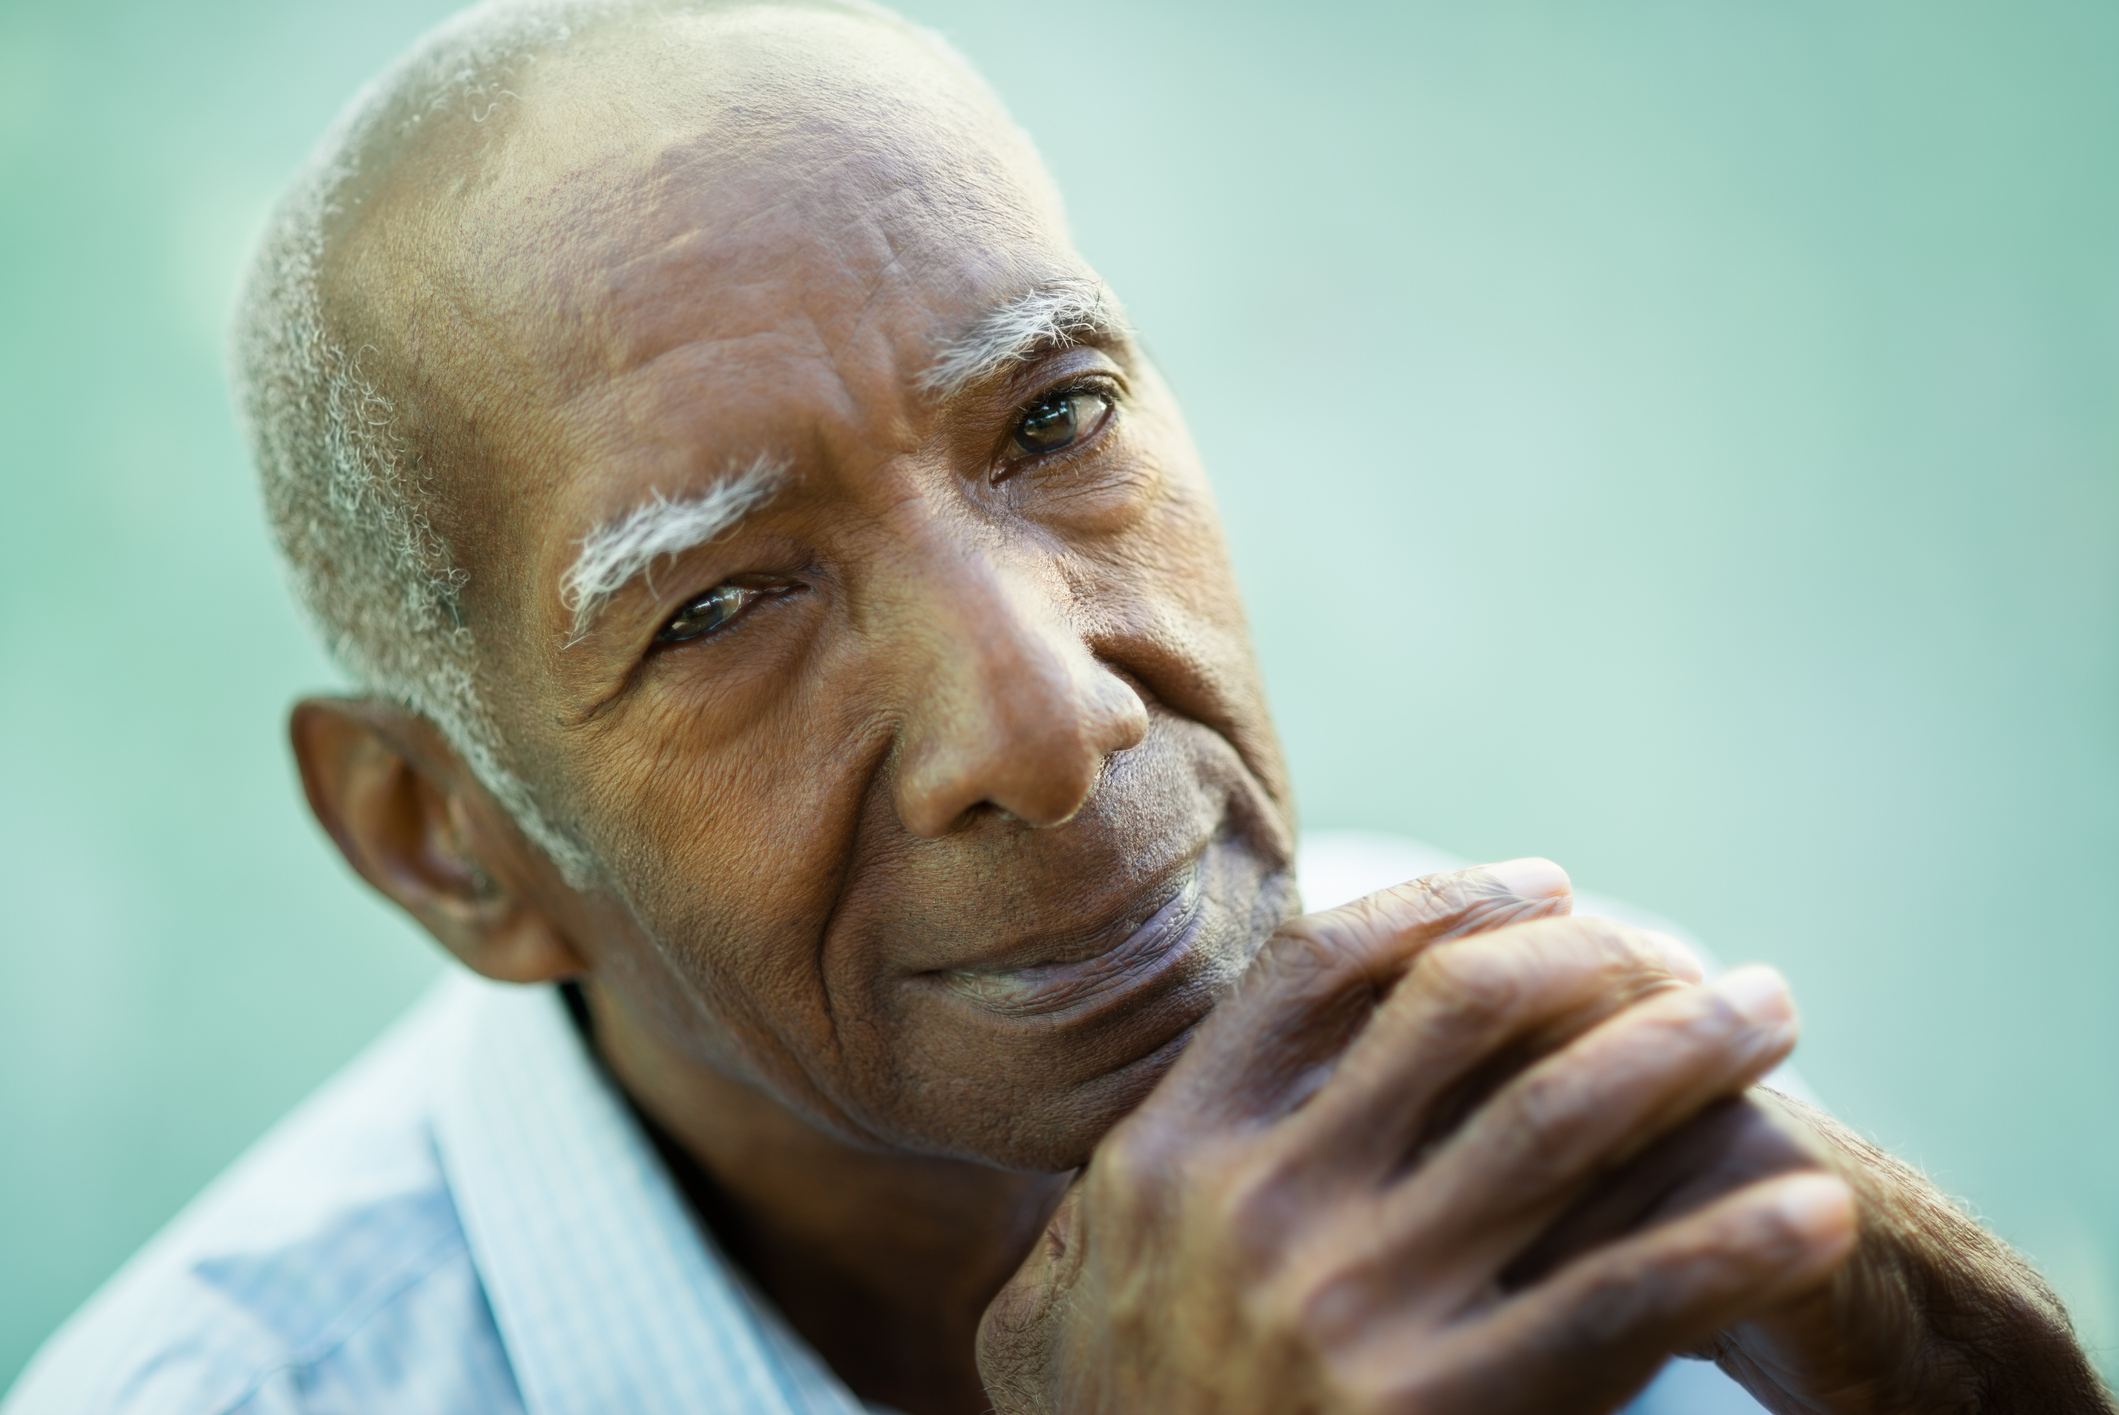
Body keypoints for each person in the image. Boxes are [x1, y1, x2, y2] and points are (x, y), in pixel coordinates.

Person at [7, 1, 2109, 1411]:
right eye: (726, 602)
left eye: (1056, 419)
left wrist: (1862, 1286)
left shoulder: (1502, 1061)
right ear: (444, 837)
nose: (1048, 722)